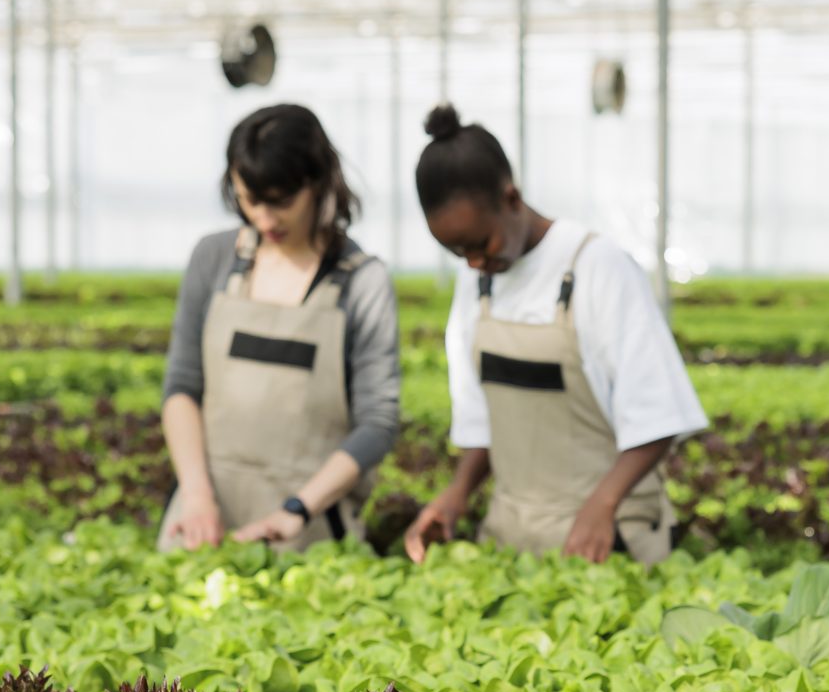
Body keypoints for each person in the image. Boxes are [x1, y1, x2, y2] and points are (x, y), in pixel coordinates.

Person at [403, 104, 707, 565]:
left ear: (511, 198)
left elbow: (658, 417)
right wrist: (457, 494)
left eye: (480, 244)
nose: (472, 262)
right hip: (514, 534)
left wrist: (602, 505)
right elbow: (483, 421)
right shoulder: (478, 280)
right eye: (455, 251)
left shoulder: (596, 265)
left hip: (609, 538)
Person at [160, 104, 400, 552]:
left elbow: (378, 423)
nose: (265, 220)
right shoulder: (213, 259)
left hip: (310, 527)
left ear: (318, 183)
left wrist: (297, 510)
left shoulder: (362, 282)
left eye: (282, 202)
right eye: (250, 201)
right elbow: (182, 387)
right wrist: (196, 496)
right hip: (204, 520)